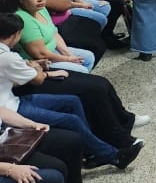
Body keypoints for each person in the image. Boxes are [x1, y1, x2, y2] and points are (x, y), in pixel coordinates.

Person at [0, 12, 141, 172]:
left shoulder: (6, 55)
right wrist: (42, 70)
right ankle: (112, 156)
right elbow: (37, 78)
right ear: (16, 34)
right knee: (71, 120)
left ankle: (90, 149)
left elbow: (19, 70)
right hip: (11, 109)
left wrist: (33, 66)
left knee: (72, 101)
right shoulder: (7, 57)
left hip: (13, 98)